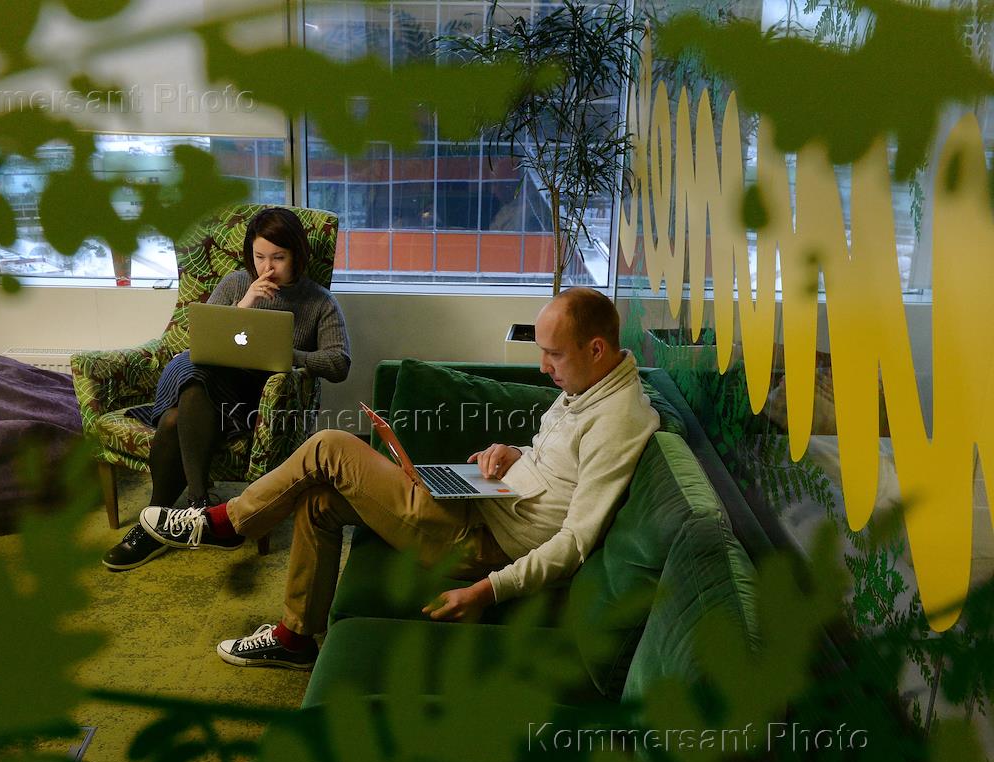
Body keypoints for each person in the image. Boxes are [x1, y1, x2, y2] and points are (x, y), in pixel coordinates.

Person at [139, 288, 659, 669]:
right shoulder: (587, 386)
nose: (543, 367)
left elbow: (575, 542)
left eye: (553, 354)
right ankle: (294, 640)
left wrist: (487, 591)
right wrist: (511, 453)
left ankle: (225, 523)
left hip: (484, 542)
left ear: (595, 349)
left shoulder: (618, 420)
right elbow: (557, 467)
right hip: (482, 503)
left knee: (330, 446)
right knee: (318, 502)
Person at [103, 207, 350, 571]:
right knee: (192, 376)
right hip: (207, 394)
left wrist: (287, 354)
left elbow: (339, 363)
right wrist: (245, 305)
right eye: (260, 257)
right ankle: (198, 506)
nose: (267, 268)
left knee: (175, 416)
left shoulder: (319, 302)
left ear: (297, 254)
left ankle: (155, 523)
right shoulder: (236, 283)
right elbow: (201, 342)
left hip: (257, 406)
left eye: (278, 258)